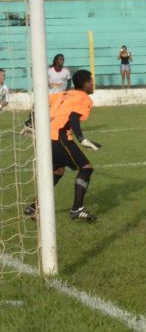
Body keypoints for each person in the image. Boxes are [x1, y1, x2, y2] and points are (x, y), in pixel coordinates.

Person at [24, 70, 101, 222]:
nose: (92, 83)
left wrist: (30, 121)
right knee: (86, 168)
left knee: (58, 171)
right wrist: (82, 139)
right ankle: (77, 209)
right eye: (90, 81)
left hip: (45, 136)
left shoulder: (66, 94)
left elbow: (40, 99)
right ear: (84, 83)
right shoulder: (84, 98)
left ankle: (33, 207)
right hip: (59, 137)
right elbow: (73, 117)